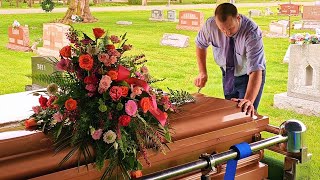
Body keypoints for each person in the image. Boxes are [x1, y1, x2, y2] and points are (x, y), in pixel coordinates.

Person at [194, 3, 266, 117]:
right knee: (229, 114)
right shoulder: (210, 25)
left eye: (230, 28)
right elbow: (200, 45)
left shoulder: (252, 33)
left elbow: (256, 69)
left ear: (238, 18)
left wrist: (248, 100)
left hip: (249, 76)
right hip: (228, 74)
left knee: (246, 113)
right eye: (222, 29)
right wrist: (203, 72)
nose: (227, 33)